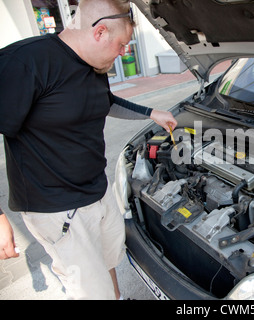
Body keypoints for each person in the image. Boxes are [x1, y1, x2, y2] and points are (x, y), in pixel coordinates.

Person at [0, 0, 177, 299]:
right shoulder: (24, 62)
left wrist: (150, 113)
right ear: (100, 32)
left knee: (109, 262)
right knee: (90, 290)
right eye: (121, 44)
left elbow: (105, 101)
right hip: (56, 208)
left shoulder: (96, 63)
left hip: (98, 190)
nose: (123, 53)